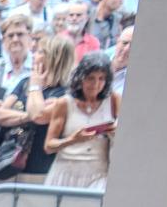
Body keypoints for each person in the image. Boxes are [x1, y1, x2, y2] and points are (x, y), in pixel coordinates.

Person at [0, 32, 73, 183]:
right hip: (6, 166)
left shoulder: (65, 93)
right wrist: (28, 116)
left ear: (54, 58)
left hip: (37, 172)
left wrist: (35, 87)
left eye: (41, 52)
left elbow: (39, 116)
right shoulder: (24, 82)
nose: (34, 55)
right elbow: (0, 115)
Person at [45, 50, 118, 190]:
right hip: (65, 172)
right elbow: (49, 146)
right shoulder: (64, 103)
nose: (96, 84)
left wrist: (115, 130)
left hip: (98, 174)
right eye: (91, 78)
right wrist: (73, 139)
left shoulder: (113, 100)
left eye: (101, 78)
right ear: (81, 78)